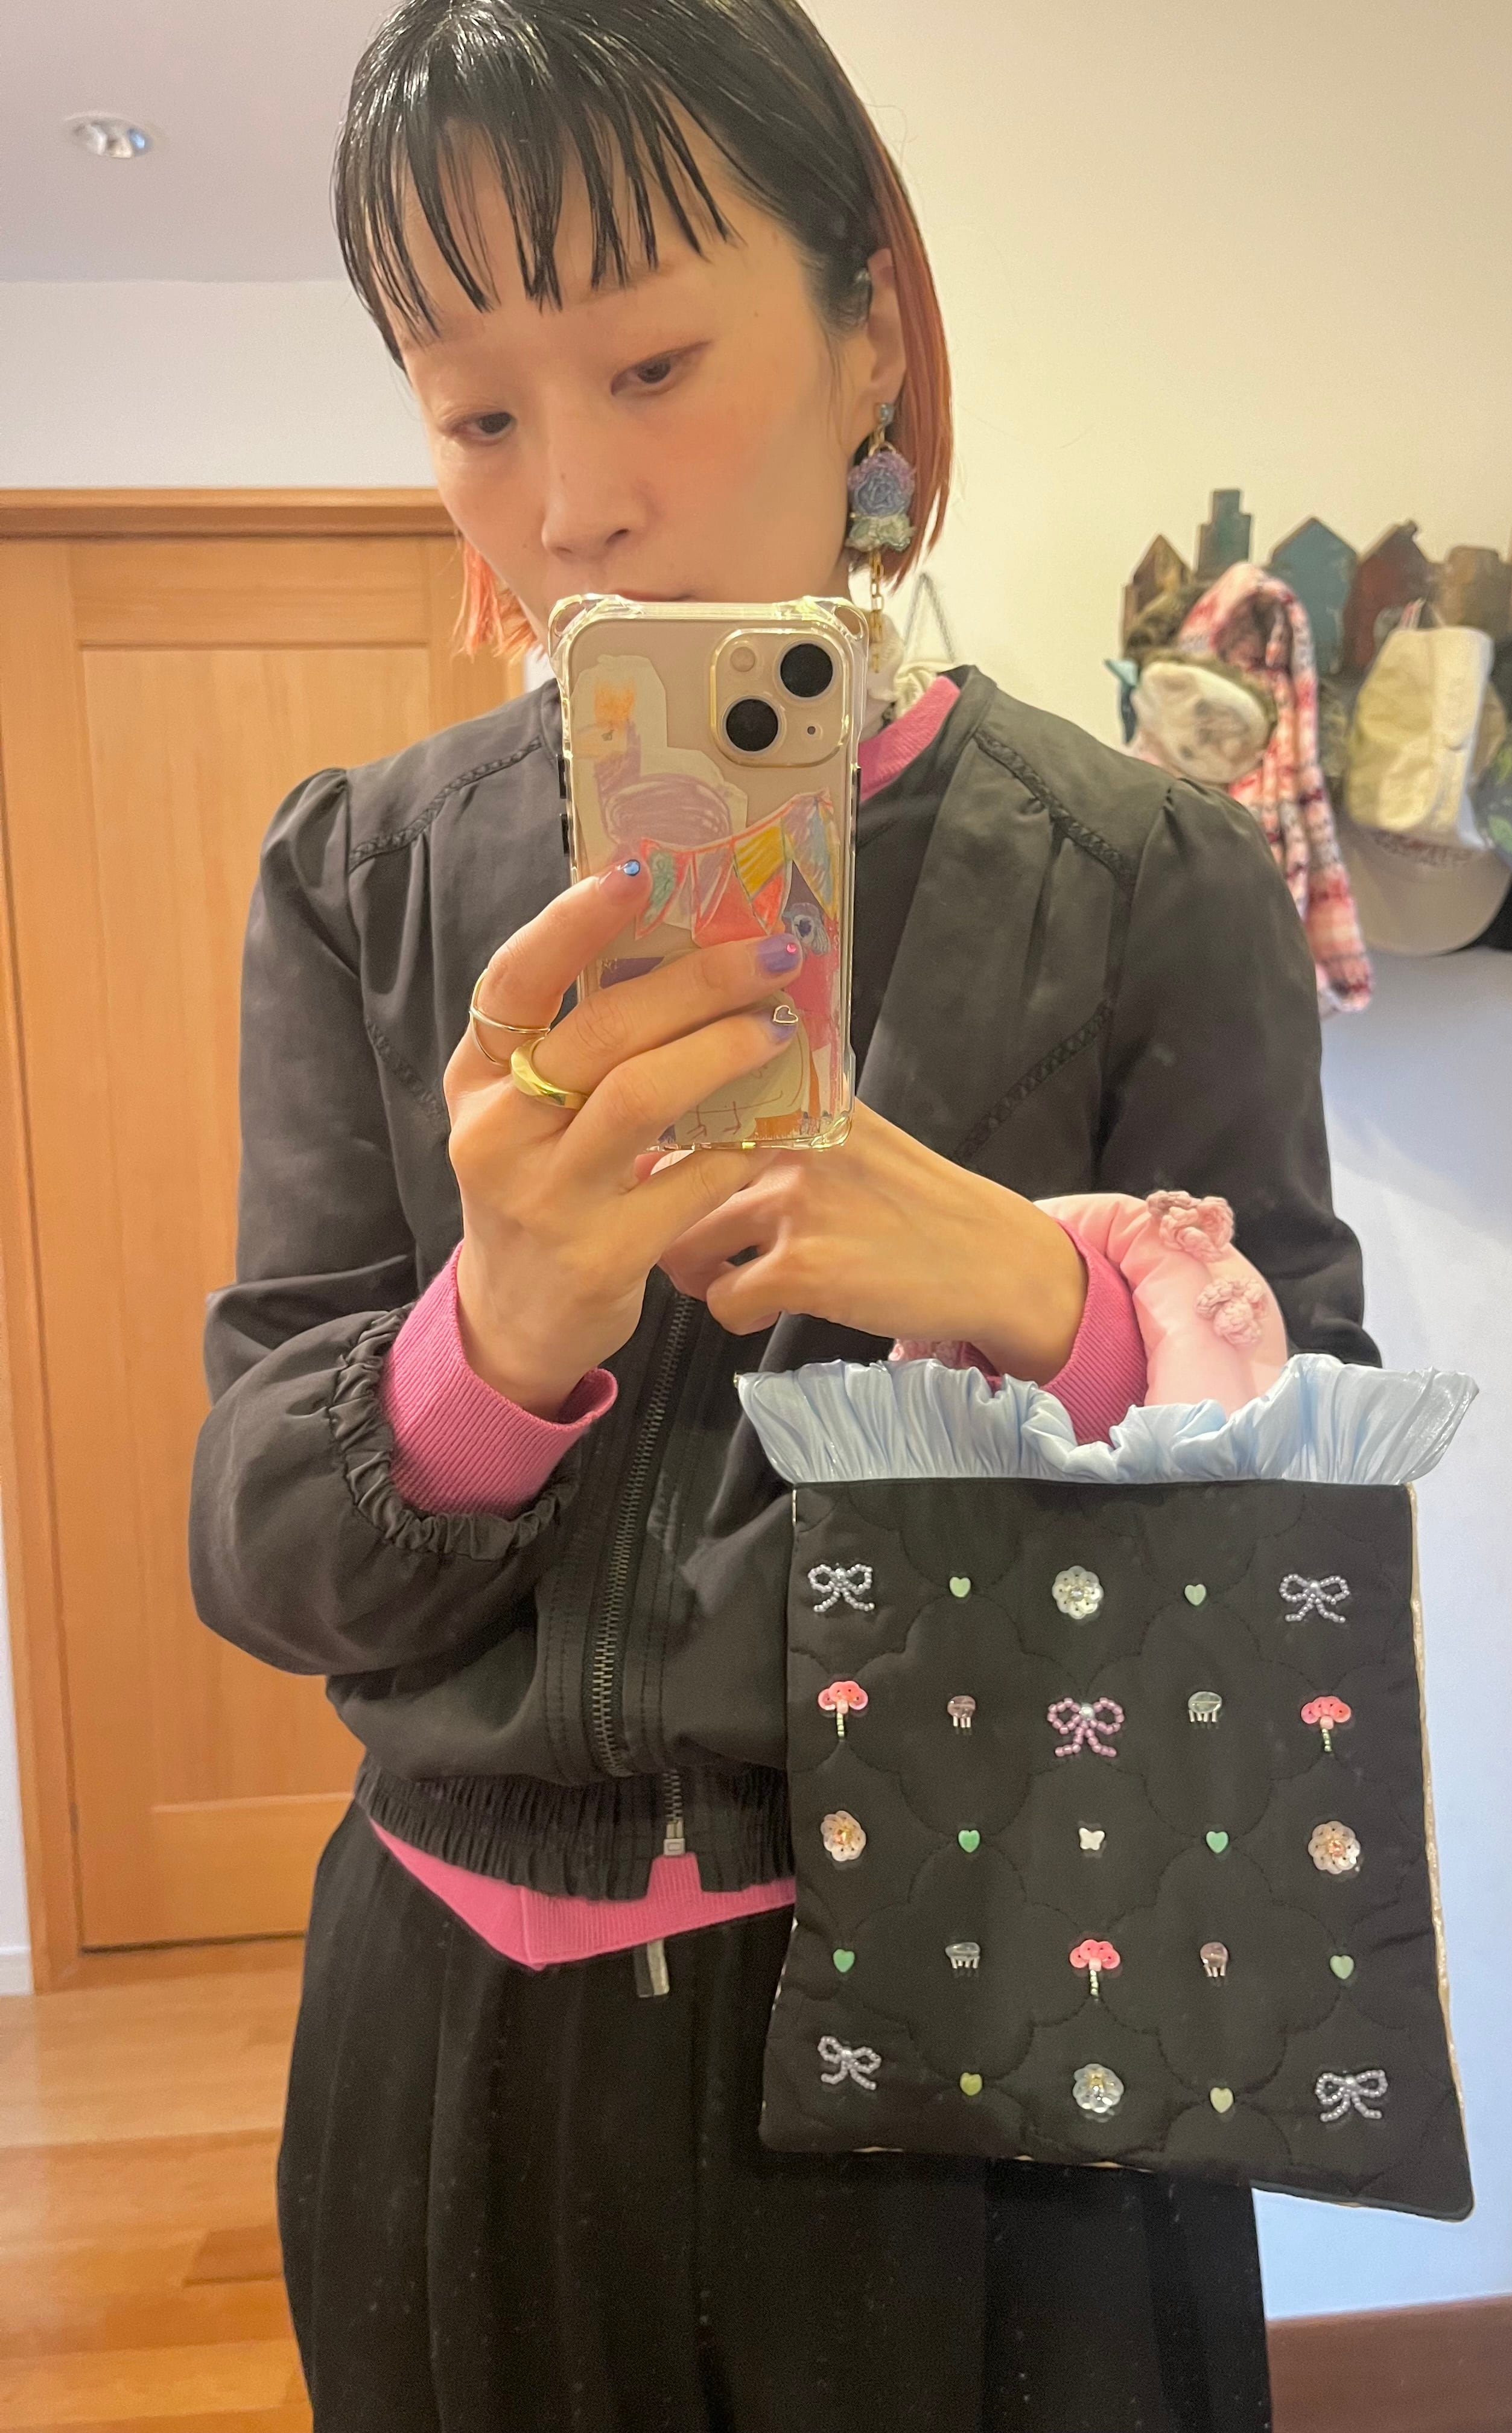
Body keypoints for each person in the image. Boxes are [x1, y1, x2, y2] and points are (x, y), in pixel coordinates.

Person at [189, 4, 1376, 2426]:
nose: (571, 507)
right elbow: (262, 1556)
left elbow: (1306, 1550)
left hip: (995, 2072)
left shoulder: (1146, 878)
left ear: (870, 340)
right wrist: (497, 1332)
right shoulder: (359, 878)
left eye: (650, 365)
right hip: (451, 2061)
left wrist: (1042, 1291)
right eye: (475, 413)